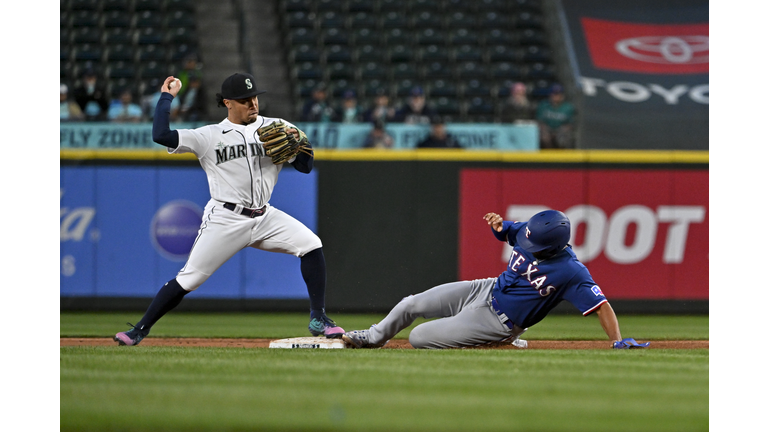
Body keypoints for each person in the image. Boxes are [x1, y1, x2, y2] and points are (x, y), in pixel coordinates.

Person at [114, 72, 344, 346]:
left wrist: (303, 146)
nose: (253, 104)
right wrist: (167, 97)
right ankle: (139, 330)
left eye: (254, 98)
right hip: (225, 218)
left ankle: (318, 317)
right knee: (189, 279)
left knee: (311, 245)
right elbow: (160, 135)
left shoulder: (277, 127)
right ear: (228, 103)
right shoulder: (209, 136)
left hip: (264, 215)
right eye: (245, 100)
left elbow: (305, 167)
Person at [342, 209, 650, 350]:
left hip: (499, 320)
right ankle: (372, 337)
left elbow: (601, 305)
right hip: (485, 287)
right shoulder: (529, 230)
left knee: (418, 338)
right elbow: (506, 230)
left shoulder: (571, 272)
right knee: (412, 303)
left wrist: (616, 340)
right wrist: (497, 224)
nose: (526, 244)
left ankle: (500, 341)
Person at [536, 84, 576, 149]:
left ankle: (562, 157)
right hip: (548, 129)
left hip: (561, 130)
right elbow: (540, 121)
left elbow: (570, 124)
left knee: (563, 138)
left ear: (562, 96)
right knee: (543, 136)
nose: (555, 96)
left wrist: (561, 130)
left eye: (558, 94)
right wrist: (545, 129)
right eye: (553, 94)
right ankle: (548, 156)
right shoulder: (543, 105)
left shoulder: (568, 107)